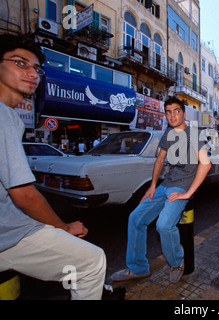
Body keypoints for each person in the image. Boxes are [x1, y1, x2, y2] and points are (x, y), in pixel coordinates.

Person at [0, 33, 106, 299]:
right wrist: (63, 227)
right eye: (19, 63)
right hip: (6, 236)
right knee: (92, 262)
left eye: (37, 68)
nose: (32, 73)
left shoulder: (12, 116)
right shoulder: (3, 114)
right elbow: (23, 195)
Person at [111, 98, 211, 283]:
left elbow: (205, 164)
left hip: (181, 187)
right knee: (135, 218)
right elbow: (159, 160)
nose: (173, 115)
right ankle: (138, 268)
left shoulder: (194, 135)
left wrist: (188, 193)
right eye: (168, 111)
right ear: (165, 115)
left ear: (183, 113)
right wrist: (152, 185)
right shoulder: (168, 133)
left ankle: (176, 262)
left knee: (164, 225)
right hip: (164, 185)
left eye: (177, 111)